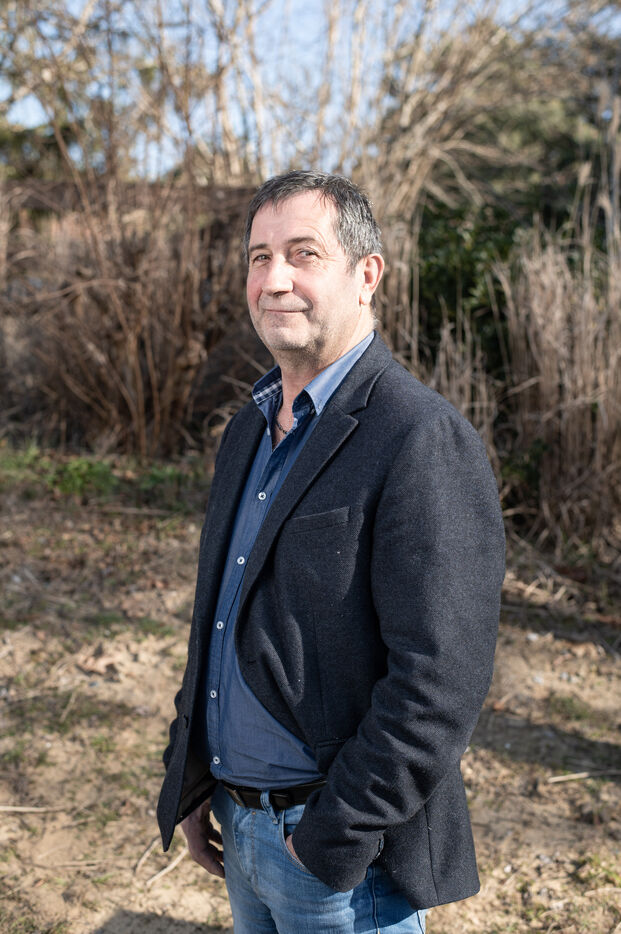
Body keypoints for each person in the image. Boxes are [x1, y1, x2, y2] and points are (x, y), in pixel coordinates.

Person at [157, 170, 505, 933]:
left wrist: (331, 835)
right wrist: (189, 775)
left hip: (338, 864)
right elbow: (220, 620)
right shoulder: (248, 428)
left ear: (366, 275)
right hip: (237, 826)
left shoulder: (417, 436)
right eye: (259, 257)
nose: (274, 280)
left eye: (303, 254)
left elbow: (439, 682)